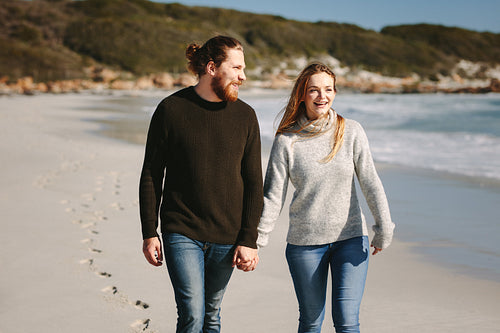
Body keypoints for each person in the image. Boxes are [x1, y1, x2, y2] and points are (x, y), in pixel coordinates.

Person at [257, 62, 395, 333]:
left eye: (328, 89)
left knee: (346, 320)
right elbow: (273, 194)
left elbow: (370, 181)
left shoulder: (351, 130)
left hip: (351, 239)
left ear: (335, 92)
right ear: (302, 94)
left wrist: (383, 227)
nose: (322, 96)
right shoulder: (287, 140)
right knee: (311, 321)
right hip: (305, 244)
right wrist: (259, 237)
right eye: (314, 90)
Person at [139, 35, 263, 333]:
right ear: (211, 67)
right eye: (236, 68)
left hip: (227, 235)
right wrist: (149, 231)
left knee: (211, 315)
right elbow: (152, 174)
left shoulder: (246, 116)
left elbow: (254, 184)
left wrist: (248, 239)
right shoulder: (171, 109)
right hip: (182, 230)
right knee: (192, 313)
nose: (242, 76)